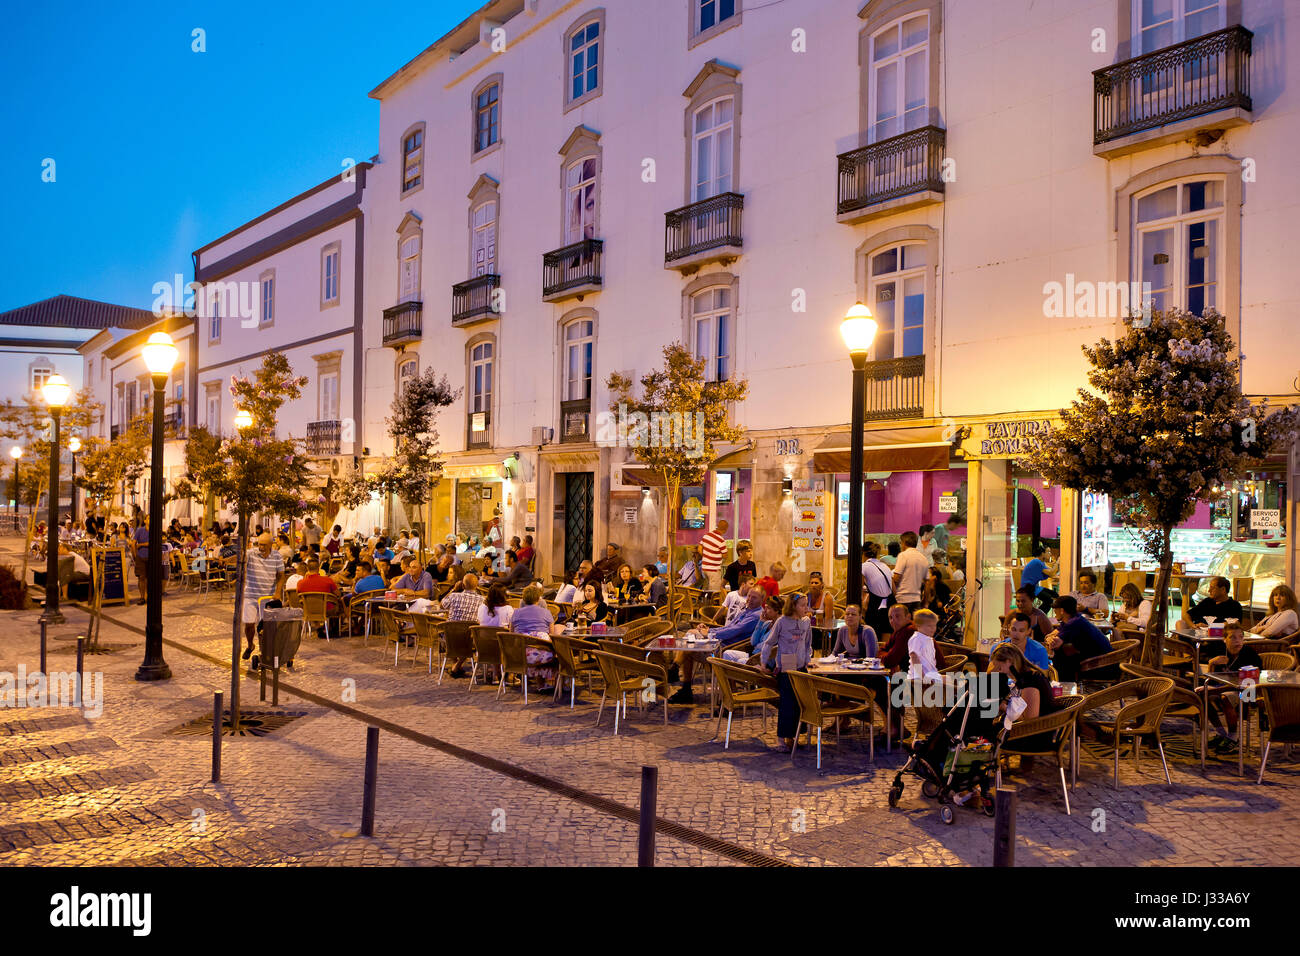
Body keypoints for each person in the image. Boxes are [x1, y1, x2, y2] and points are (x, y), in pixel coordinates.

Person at [670, 587, 766, 703]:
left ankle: (677, 673)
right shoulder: (746, 610)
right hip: (719, 643)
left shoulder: (756, 615)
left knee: (690, 638)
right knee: (689, 643)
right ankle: (682, 683)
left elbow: (734, 631)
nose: (750, 599)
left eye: (754, 597)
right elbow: (728, 627)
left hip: (725, 649)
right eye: (749, 596)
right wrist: (709, 629)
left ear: (762, 599)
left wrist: (709, 633)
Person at [758, 592, 813, 751]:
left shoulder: (806, 622)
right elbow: (769, 643)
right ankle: (781, 738)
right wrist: (763, 661)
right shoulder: (782, 621)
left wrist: (808, 659)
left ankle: (793, 735)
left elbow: (808, 643)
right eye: (802, 605)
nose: (805, 608)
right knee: (787, 703)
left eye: (806, 605)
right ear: (794, 606)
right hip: (786, 669)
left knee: (798, 703)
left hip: (801, 667)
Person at [1207, 621, 1264, 753]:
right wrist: (1211, 663)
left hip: (1249, 691)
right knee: (1202, 696)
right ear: (1224, 639)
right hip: (1226, 688)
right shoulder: (1220, 652)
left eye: (1240, 637)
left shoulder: (1249, 654)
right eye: (1232, 637)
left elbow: (1246, 684)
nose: (1237, 641)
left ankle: (1233, 738)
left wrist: (1216, 689)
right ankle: (1221, 733)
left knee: (1225, 697)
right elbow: (1211, 679)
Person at [1045, 595, 1113, 682]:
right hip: (1096, 656)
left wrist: (1051, 640)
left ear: (1062, 610)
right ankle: (1062, 683)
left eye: (1055, 610)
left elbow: (1055, 645)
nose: (1054, 613)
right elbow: (1050, 636)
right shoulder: (1073, 619)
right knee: (1063, 651)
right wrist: (1050, 639)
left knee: (1060, 654)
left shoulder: (1074, 623)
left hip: (1101, 664)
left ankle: (1063, 685)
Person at [241, 533, 286, 661]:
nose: (261, 547)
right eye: (259, 544)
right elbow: (241, 558)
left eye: (264, 545)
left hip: (268, 596)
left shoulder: (277, 556)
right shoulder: (251, 554)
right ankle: (250, 645)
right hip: (251, 594)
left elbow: (281, 576)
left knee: (266, 627)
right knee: (249, 624)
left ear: (271, 545)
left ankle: (266, 650)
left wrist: (278, 592)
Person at [509, 585, 557, 692]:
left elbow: (510, 634)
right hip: (544, 656)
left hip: (520, 655)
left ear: (523, 598)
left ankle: (539, 683)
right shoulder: (546, 612)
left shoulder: (515, 613)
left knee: (530, 648)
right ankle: (555, 685)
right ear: (538, 598)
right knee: (551, 651)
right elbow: (552, 634)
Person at [722, 595, 781, 663]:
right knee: (727, 653)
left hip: (764, 660)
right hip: (753, 655)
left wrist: (757, 646)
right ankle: (726, 673)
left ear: (777, 611)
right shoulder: (766, 624)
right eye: (765, 607)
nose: (764, 610)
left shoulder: (779, 627)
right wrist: (760, 622)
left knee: (741, 661)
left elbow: (766, 647)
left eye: (768, 608)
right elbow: (753, 642)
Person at [1179, 576, 1244, 629]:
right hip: (1198, 632)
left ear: (1223, 590)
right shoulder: (1207, 601)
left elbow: (1235, 623)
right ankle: (1184, 645)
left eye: (1212, 588)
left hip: (1218, 636)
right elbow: (1186, 615)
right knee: (1180, 623)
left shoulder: (1234, 606)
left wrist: (1210, 627)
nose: (1209, 590)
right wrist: (1193, 626)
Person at [861, 541, 895, 637]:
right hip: (889, 602)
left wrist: (861, 607)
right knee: (887, 631)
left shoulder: (864, 566)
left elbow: (858, 588)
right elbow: (894, 589)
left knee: (871, 632)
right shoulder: (885, 566)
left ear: (863, 554)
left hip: (876, 603)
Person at [891, 531, 929, 611]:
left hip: (902, 598)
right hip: (916, 599)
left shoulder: (903, 555)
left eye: (901, 543)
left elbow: (896, 578)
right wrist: (925, 601)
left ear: (904, 543)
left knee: (901, 622)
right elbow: (927, 583)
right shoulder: (923, 558)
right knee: (914, 623)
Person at [908, 608, 941, 680]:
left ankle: (965, 689)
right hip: (919, 676)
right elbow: (914, 657)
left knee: (950, 679)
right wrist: (922, 676)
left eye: (934, 625)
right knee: (948, 680)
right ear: (918, 626)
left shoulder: (929, 639)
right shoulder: (917, 639)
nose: (933, 628)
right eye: (929, 626)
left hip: (930, 674)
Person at [699, 518, 728, 591]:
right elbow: (725, 556)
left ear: (717, 526)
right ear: (725, 529)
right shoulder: (721, 540)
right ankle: (711, 602)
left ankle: (705, 602)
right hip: (714, 570)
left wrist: (707, 556)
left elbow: (699, 549)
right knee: (714, 592)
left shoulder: (706, 535)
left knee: (706, 589)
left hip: (704, 568)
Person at [132, 516, 151, 605]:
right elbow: (133, 543)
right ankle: (142, 597)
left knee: (150, 578)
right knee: (141, 578)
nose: (150, 520)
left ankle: (149, 596)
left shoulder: (155, 530)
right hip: (141, 557)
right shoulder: (140, 530)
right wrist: (135, 555)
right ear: (145, 520)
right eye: (148, 518)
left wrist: (141, 544)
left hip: (152, 558)